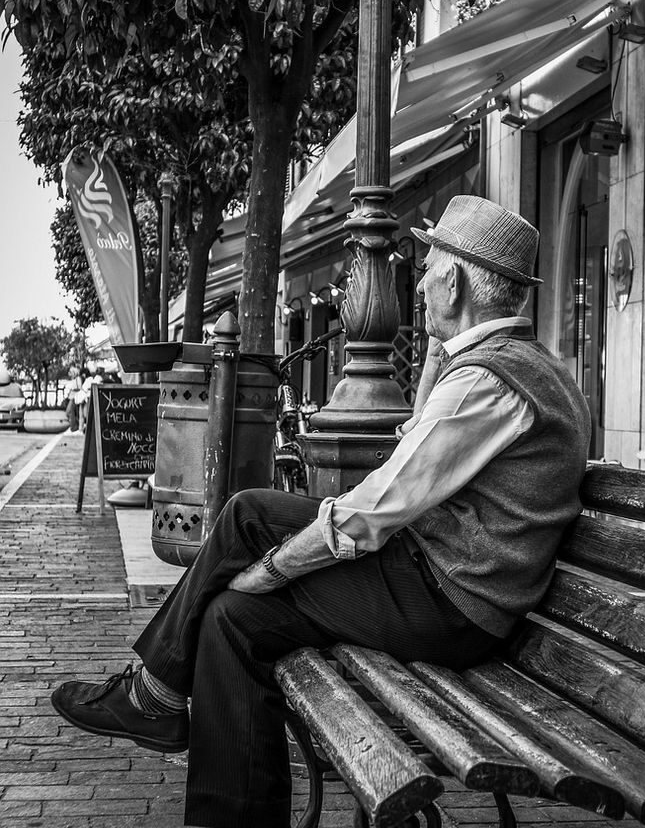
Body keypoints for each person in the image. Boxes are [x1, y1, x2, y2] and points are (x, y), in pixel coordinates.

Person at [51, 195, 591, 828]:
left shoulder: (488, 384)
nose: (417, 284)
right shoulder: (529, 367)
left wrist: (277, 568)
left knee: (247, 529)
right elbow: (417, 447)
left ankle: (155, 697)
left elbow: (379, 507)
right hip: (453, 580)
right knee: (230, 612)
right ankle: (162, 707)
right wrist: (444, 352)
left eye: (429, 266)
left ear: (455, 280)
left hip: (450, 600)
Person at [63, 366, 84, 434]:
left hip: (74, 398)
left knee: (69, 412)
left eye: (71, 372)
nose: (69, 374)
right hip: (71, 398)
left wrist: (72, 390)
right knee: (72, 412)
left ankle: (74, 426)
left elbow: (79, 388)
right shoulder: (74, 380)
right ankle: (73, 426)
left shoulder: (78, 379)